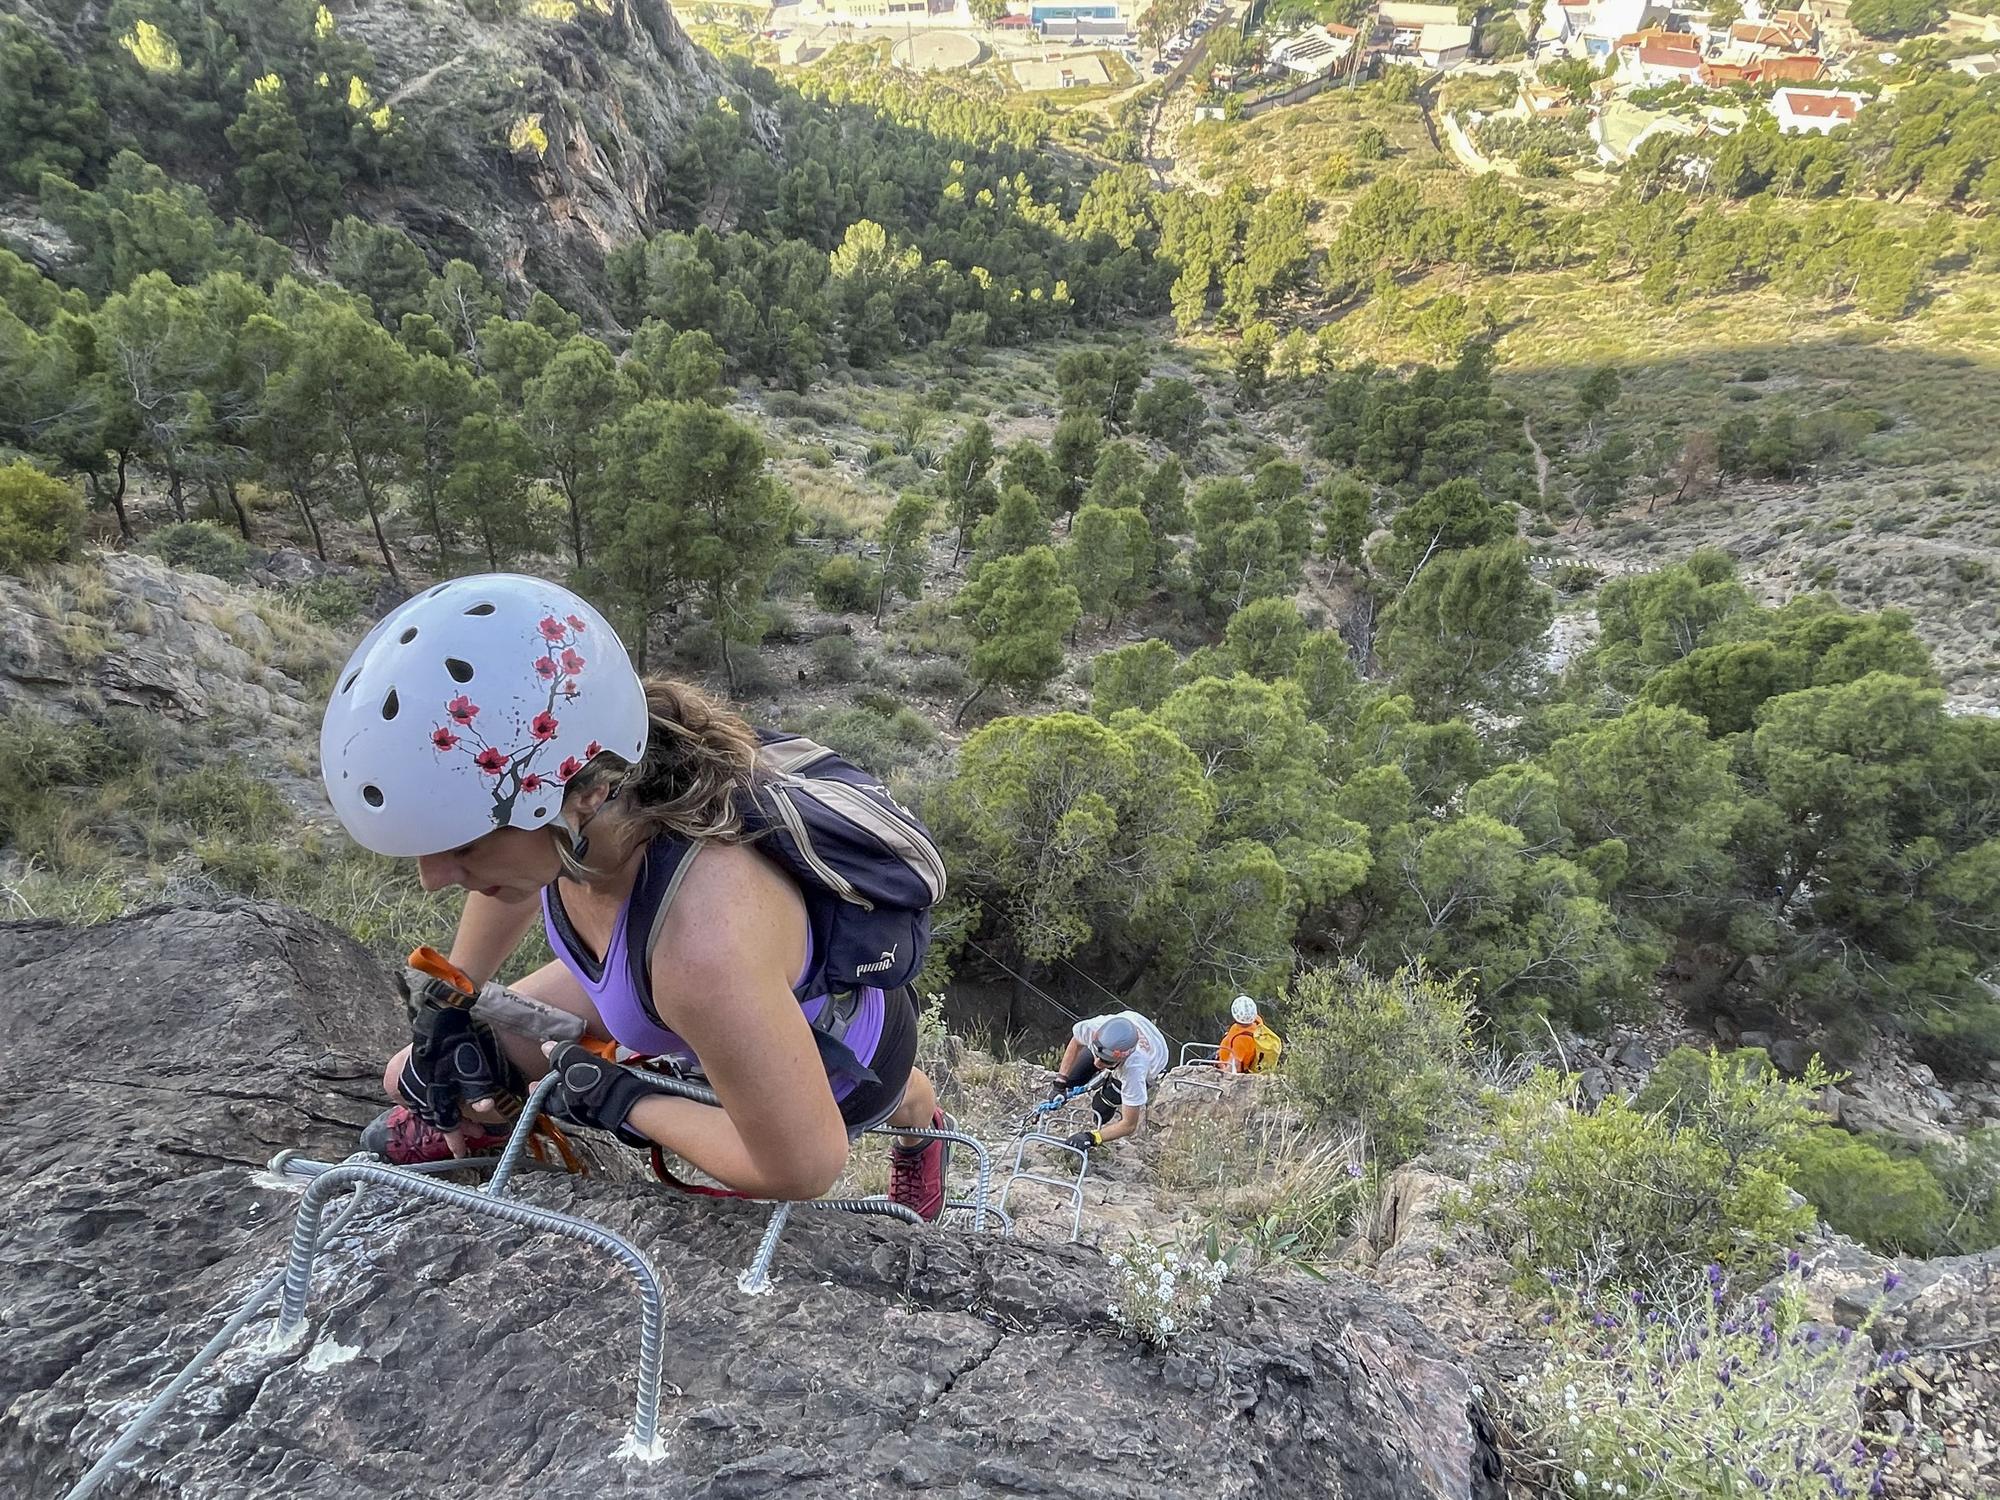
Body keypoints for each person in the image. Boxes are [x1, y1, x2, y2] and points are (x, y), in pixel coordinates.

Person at [320, 574, 954, 1220]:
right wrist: (453, 995)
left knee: (895, 1095)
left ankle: (918, 1124)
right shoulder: (598, 798)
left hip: (843, 1060)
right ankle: (490, 1118)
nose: (434, 876)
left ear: (582, 798)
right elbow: (511, 883)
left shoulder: (701, 949)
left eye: (463, 843)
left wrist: (625, 1100)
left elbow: (804, 1165)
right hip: (674, 1000)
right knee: (422, 1070)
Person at [1047, 1010, 1168, 1153]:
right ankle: (1103, 1062)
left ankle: (1105, 1097)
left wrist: (1092, 1137)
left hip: (1155, 1053)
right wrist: (1060, 1083)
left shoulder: (1134, 1070)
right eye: (1097, 1056)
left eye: (1105, 1061)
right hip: (1125, 1028)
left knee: (1103, 1106)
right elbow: (1076, 1042)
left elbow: (1129, 1124)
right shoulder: (1093, 1028)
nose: (1097, 1063)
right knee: (1073, 1078)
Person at [1215, 994, 1283, 1074]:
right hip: (1223, 1052)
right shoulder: (1257, 1021)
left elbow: (1235, 1068)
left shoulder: (1241, 1040)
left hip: (1224, 1063)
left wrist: (1220, 1068)